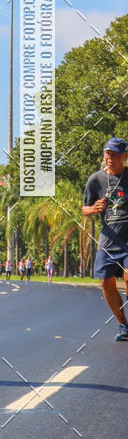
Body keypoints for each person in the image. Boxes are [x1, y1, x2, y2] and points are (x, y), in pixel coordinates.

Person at [82, 137, 128, 342]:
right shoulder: (96, 179)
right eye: (108, 154)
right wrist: (94, 209)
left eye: (115, 154)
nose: (110, 158)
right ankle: (123, 324)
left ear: (125, 157)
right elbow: (85, 209)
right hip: (108, 242)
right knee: (105, 282)